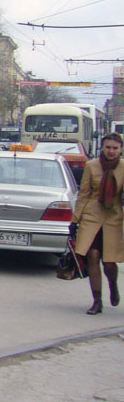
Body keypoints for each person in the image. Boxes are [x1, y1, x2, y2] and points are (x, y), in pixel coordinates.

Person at [70, 132, 124, 314]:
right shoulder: (92, 166)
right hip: (91, 217)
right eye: (108, 147)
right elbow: (83, 194)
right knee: (92, 256)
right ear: (102, 147)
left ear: (120, 149)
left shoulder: (123, 167)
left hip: (114, 217)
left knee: (109, 262)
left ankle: (113, 284)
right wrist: (75, 219)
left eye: (115, 148)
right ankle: (97, 300)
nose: (111, 151)